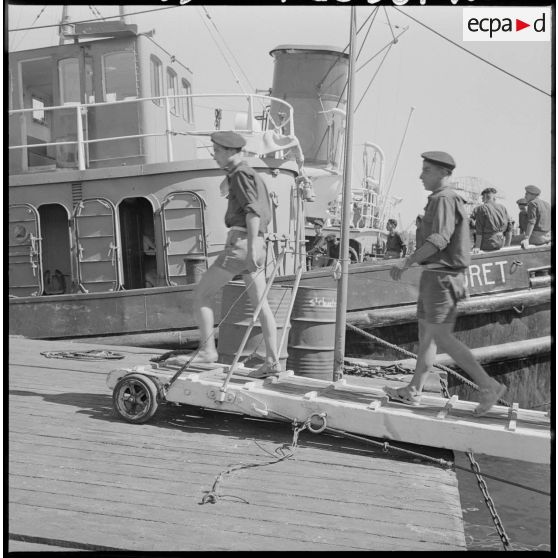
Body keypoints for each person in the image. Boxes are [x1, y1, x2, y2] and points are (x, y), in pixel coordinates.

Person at [386, 151, 506, 417]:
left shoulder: (444, 199)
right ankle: (414, 390)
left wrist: (406, 262)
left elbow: (439, 239)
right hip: (434, 276)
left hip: (443, 277)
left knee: (440, 336)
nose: (420, 175)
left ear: (443, 173)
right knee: (426, 336)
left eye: (426, 170)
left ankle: (488, 385)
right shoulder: (441, 199)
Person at [188, 130, 281, 378]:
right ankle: (272, 361)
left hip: (242, 243)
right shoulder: (251, 174)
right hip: (257, 243)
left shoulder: (240, 174)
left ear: (231, 152)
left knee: (201, 295)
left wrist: (249, 247)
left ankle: (208, 351)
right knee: (261, 306)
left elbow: (253, 212)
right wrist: (255, 247)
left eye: (217, 151)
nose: (215, 156)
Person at [472, 187, 512, 253]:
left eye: (482, 197)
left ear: (484, 197)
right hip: (501, 242)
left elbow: (479, 230)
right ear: (494, 198)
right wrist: (507, 245)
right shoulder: (502, 207)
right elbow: (509, 227)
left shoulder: (481, 208)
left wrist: (477, 247)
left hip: (488, 243)